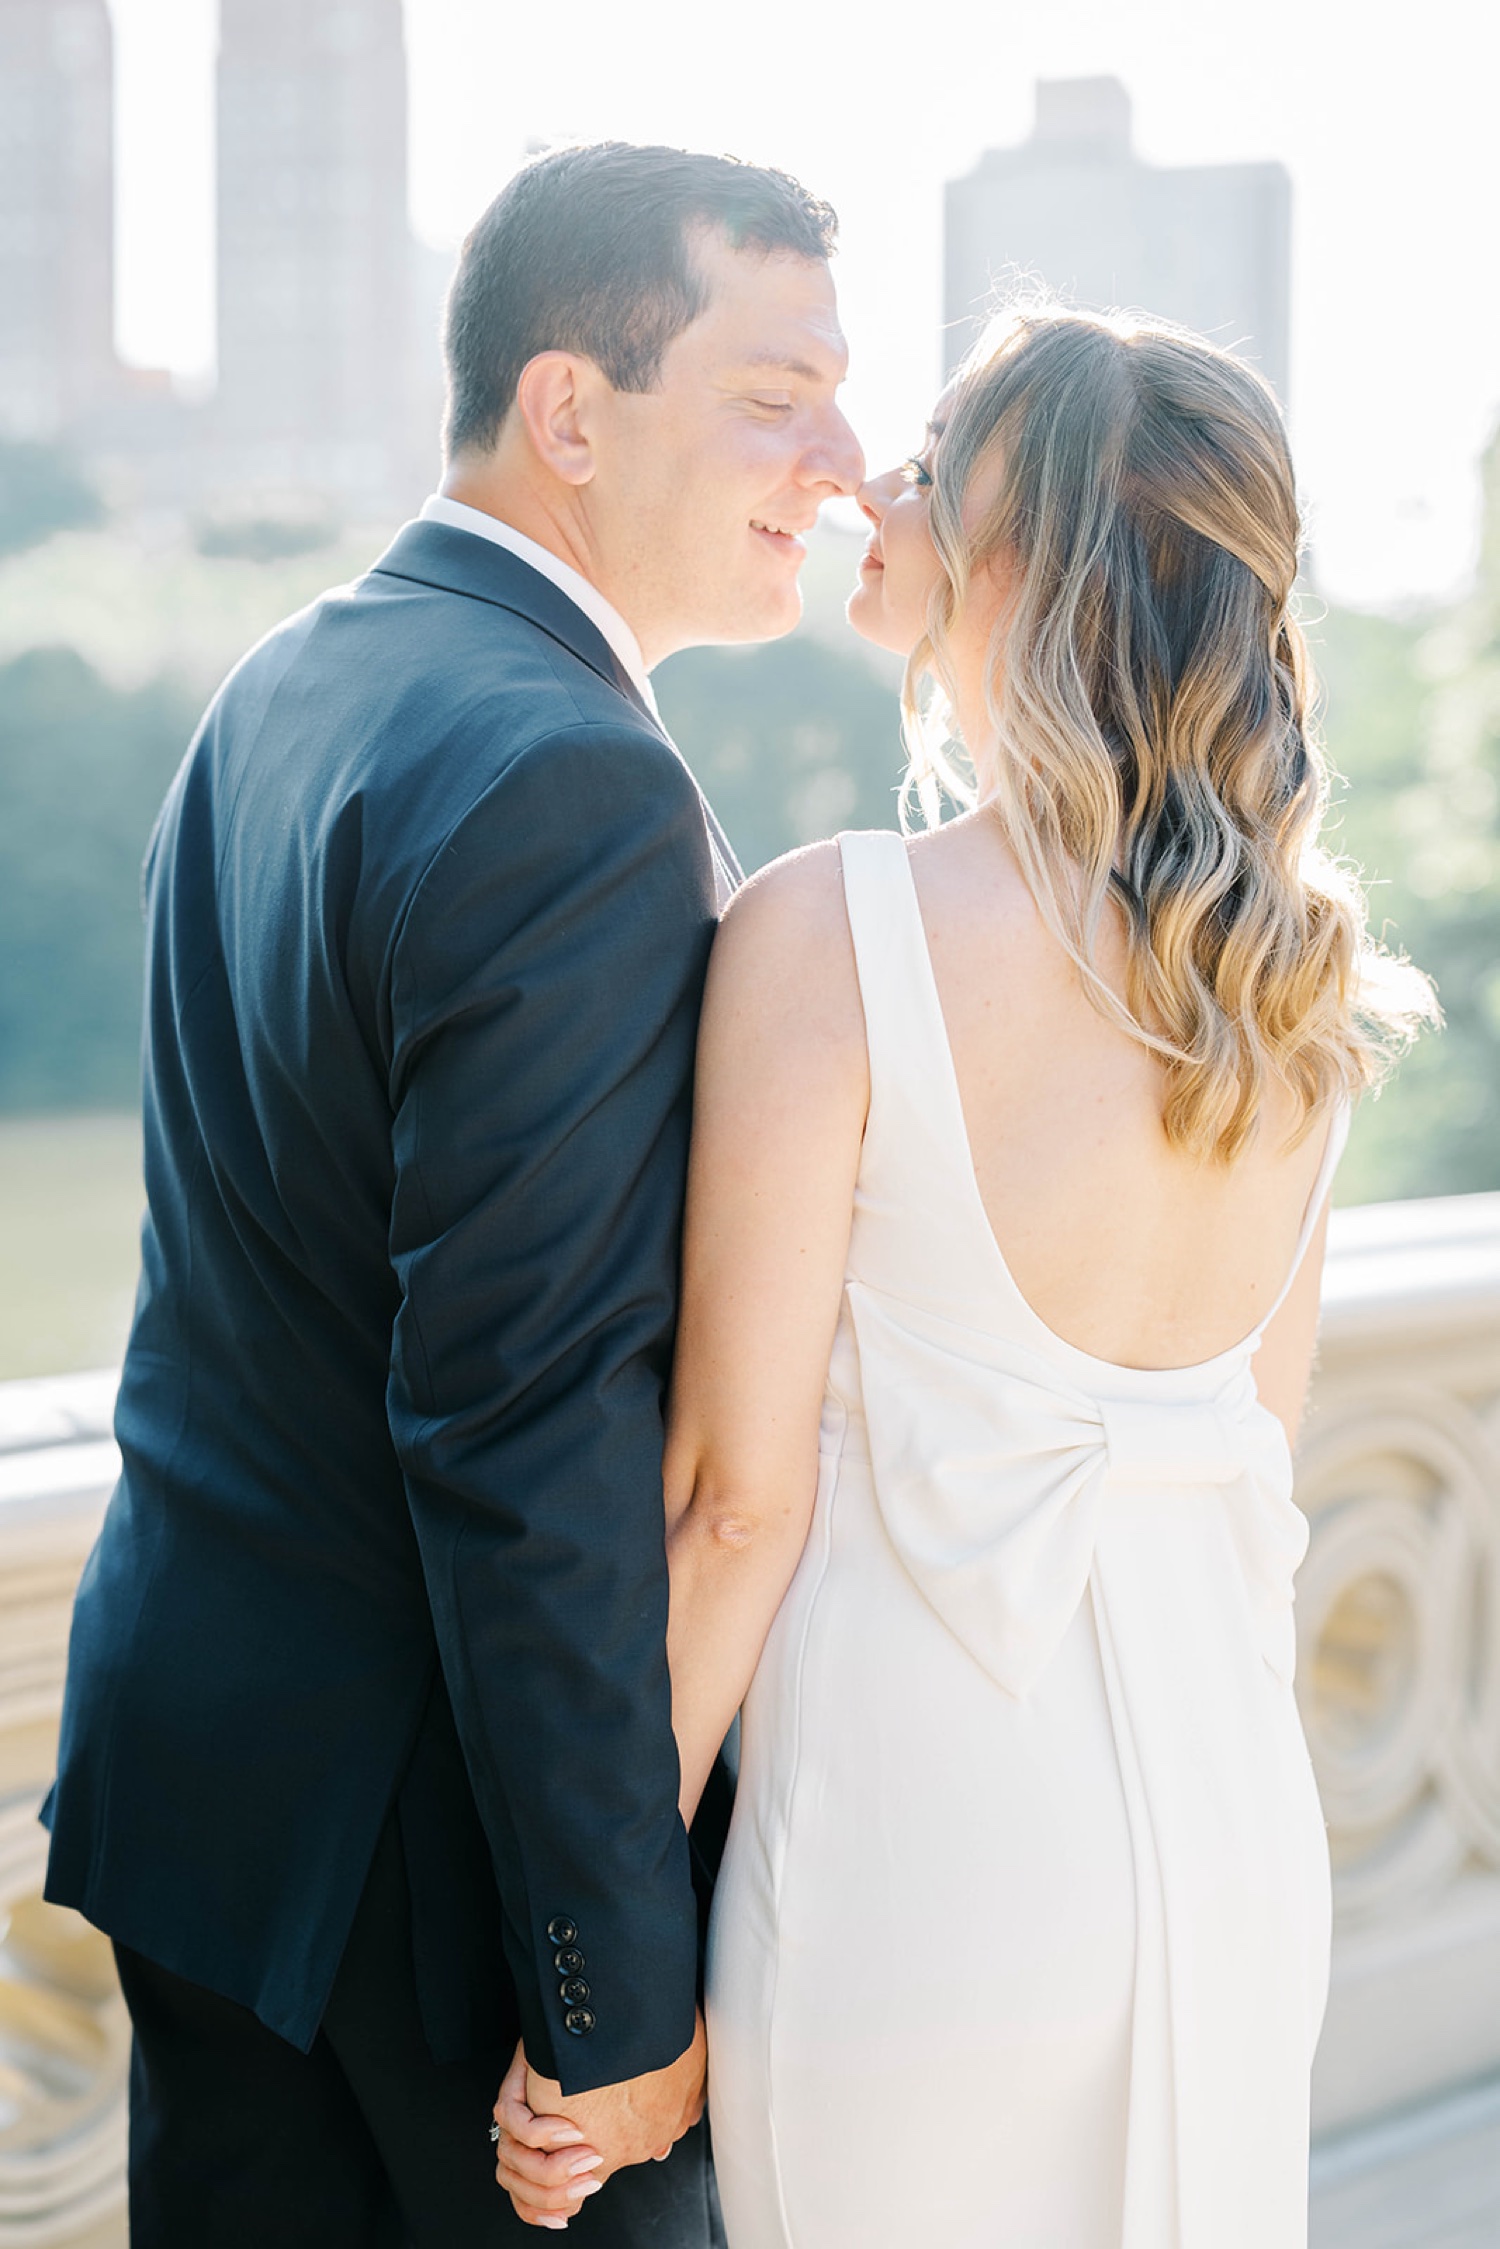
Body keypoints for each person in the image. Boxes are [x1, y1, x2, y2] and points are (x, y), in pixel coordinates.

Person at [497, 307, 1433, 2241]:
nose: (868, 488)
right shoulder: (1298, 985)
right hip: (1231, 1851)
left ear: (1026, 557)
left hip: (923, 1880)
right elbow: (1255, 1469)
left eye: (928, 463)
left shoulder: (831, 927)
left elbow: (733, 1511)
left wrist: (601, 1979)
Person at [43, 141, 861, 2248]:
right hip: (445, 1911)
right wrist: (610, 1992)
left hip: (202, 1805)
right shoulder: (575, 784)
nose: (841, 461)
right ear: (574, 407)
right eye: (776, 392)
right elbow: (521, 1439)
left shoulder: (286, 681)